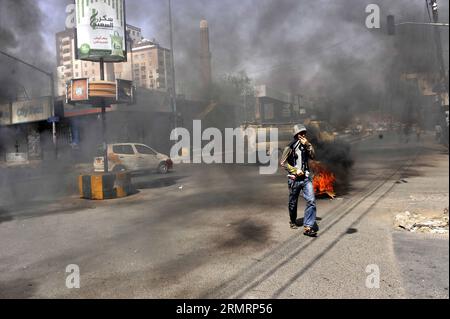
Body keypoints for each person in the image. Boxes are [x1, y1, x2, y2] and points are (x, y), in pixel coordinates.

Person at [280, 125, 318, 237]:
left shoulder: (306, 145)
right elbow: (283, 162)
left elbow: (313, 156)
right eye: (301, 133)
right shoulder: (290, 146)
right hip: (294, 179)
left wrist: (308, 144)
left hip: (306, 178)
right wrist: (294, 170)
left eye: (304, 133)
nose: (303, 135)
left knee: (311, 201)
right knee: (293, 203)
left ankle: (308, 227)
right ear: (296, 135)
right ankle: (292, 220)